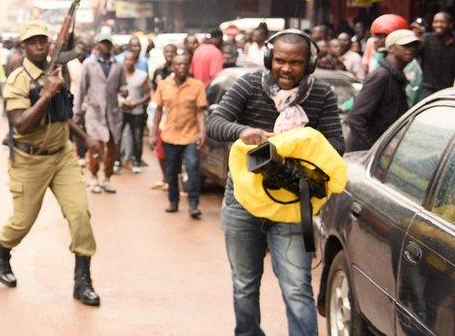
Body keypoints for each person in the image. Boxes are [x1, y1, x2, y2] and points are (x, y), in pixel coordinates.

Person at [206, 30, 344, 336]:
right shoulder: (248, 84)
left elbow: (337, 145)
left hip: (293, 205)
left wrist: (301, 141)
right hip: (242, 202)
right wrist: (243, 131)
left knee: (297, 289)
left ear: (309, 64)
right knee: (244, 284)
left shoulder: (322, 93)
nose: (286, 68)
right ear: (269, 59)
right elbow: (214, 124)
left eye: (295, 62)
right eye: (279, 60)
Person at [0, 20, 99, 306]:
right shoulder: (18, 80)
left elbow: (63, 115)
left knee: (80, 215)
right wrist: (47, 94)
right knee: (23, 221)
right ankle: (1, 253)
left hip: (62, 156)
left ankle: (82, 281)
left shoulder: (58, 74)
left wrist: (86, 138)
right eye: (33, 41)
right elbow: (21, 125)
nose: (39, 45)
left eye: (43, 40)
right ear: (23, 46)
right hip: (29, 160)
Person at [347, 29, 420, 151]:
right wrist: (374, 149)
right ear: (391, 48)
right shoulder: (382, 76)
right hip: (363, 155)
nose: (411, 49)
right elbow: (356, 118)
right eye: (405, 45)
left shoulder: (397, 76)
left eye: (414, 46)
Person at [152, 54, 207, 218]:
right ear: (172, 67)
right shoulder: (163, 85)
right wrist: (153, 134)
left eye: (184, 64)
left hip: (190, 136)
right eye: (178, 64)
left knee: (193, 169)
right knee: (171, 171)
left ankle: (193, 205)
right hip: (169, 136)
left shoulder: (197, 86)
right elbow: (158, 110)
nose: (181, 67)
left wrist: (202, 132)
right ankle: (173, 202)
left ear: (188, 66)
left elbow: (200, 112)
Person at [74, 32, 125, 193]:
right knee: (95, 147)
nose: (106, 46)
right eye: (103, 43)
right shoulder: (89, 64)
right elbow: (81, 89)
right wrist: (77, 111)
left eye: (108, 43)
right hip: (94, 113)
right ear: (97, 45)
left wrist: (124, 91)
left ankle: (107, 178)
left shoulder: (119, 64)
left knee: (112, 148)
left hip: (113, 113)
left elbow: (123, 85)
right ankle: (94, 177)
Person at [118, 50, 150, 174]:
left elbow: (148, 94)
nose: (128, 62)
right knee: (118, 136)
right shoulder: (120, 75)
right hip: (122, 110)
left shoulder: (141, 75)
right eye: (126, 59)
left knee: (137, 137)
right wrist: (121, 101)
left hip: (137, 111)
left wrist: (138, 102)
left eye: (131, 59)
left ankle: (136, 161)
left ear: (135, 61)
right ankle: (118, 160)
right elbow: (114, 91)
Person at [420, 11, 455, 98]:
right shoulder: (427, 39)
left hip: (448, 90)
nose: (438, 25)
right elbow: (414, 53)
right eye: (435, 22)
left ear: (450, 24)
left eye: (442, 22)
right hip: (428, 88)